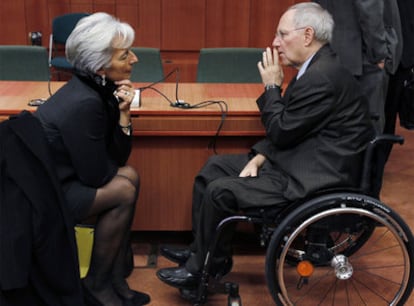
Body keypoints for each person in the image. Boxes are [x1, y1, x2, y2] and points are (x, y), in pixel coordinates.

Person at [156, 1, 375, 298]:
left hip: (313, 177)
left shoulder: (322, 76)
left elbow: (283, 130)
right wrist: (261, 155)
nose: (275, 43)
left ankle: (202, 267)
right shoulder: (317, 67)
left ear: (307, 35)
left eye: (282, 34)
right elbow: (295, 127)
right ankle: (205, 255)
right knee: (214, 168)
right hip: (304, 158)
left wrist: (272, 87)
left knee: (220, 191)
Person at [34, 13, 150, 306]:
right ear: (100, 65)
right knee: (123, 189)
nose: (134, 59)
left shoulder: (98, 88)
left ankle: (114, 277)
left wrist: (124, 114)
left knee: (130, 175)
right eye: (125, 55)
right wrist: (113, 165)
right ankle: (97, 284)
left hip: (66, 178)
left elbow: (117, 159)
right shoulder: (85, 102)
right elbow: (97, 176)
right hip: (47, 193)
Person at [313, 0, 402, 133]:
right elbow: (369, 8)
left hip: (330, 50)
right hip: (363, 58)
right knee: (366, 132)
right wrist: (379, 53)